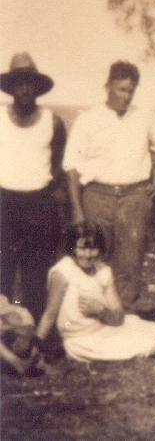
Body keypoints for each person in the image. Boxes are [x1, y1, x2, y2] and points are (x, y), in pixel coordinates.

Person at [63, 61, 155, 308]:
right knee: (93, 255)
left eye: (131, 90)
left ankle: (123, 313)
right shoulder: (88, 119)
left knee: (130, 259)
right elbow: (72, 170)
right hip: (97, 195)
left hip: (134, 197)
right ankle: (90, 312)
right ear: (108, 86)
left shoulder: (145, 117)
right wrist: (78, 212)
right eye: (121, 89)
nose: (126, 96)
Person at [34, 222, 155, 362]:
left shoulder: (103, 271)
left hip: (105, 327)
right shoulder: (63, 271)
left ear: (100, 249)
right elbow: (49, 315)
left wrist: (101, 311)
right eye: (82, 248)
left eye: (93, 249)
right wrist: (35, 346)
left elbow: (118, 317)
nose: (88, 255)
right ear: (73, 248)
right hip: (81, 340)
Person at [0, 53, 67, 320]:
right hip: (3, 204)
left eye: (30, 83)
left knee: (37, 273)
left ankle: (35, 331)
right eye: (19, 83)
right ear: (11, 87)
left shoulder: (53, 121)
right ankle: (4, 332)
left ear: (38, 88)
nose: (25, 89)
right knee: (2, 271)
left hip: (39, 206)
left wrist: (47, 193)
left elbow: (59, 165)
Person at [0, 295, 42, 377]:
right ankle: (17, 362)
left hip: (17, 338)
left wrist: (11, 327)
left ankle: (20, 362)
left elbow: (26, 330)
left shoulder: (21, 313)